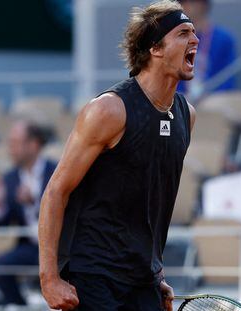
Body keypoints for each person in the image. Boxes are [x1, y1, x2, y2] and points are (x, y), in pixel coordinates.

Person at [38, 1, 197, 310]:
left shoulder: (186, 116)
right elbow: (56, 190)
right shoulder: (109, 110)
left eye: (193, 32)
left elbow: (151, 200)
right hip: (94, 277)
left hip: (143, 280)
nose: (195, 40)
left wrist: (156, 270)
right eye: (183, 33)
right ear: (155, 48)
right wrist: (49, 278)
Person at [0, 120, 56, 305]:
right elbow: (3, 226)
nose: (10, 149)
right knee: (1, 265)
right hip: (30, 246)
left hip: (58, 244)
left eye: (15, 143)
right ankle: (19, 307)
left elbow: (67, 209)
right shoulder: (9, 178)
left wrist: (34, 202)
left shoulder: (57, 171)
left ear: (33, 145)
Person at [177, 0, 236, 102]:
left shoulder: (223, 38)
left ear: (203, 5)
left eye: (191, 2)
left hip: (214, 102)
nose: (184, 7)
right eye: (181, 3)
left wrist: (208, 96)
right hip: (180, 100)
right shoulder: (171, 39)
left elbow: (227, 79)